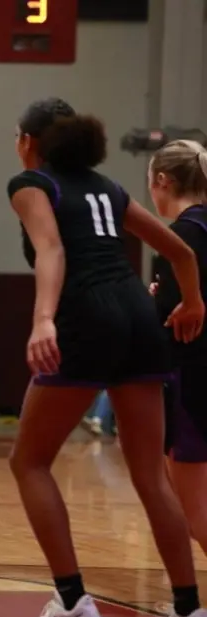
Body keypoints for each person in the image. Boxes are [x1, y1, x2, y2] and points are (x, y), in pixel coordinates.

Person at [6, 97, 206, 617]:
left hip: (88, 317)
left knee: (28, 462)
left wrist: (43, 318)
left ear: (28, 141)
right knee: (151, 476)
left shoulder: (31, 184)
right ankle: (189, 613)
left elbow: (51, 249)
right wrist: (192, 301)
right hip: (140, 318)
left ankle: (72, 601)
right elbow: (181, 252)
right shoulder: (109, 188)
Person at [146, 140, 207, 558]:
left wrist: (154, 305)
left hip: (194, 381)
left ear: (163, 181)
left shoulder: (183, 235)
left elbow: (170, 323)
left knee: (191, 512)